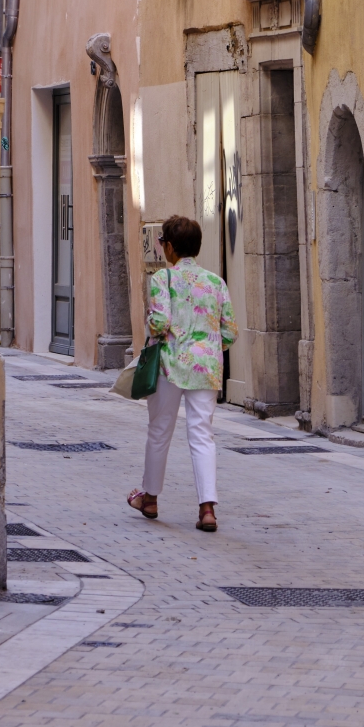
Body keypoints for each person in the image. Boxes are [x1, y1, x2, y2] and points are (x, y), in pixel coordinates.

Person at [127, 214, 237, 532]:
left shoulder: (163, 280)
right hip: (206, 368)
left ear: (170, 247)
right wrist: (208, 346)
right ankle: (207, 509)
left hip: (170, 366)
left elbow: (159, 323)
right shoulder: (216, 283)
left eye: (162, 243)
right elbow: (230, 331)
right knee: (202, 434)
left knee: (159, 432)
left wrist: (155, 330)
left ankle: (149, 498)